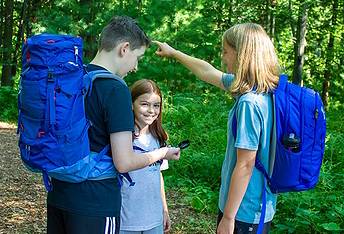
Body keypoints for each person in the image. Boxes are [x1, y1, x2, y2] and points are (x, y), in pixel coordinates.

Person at [47, 16, 180, 234]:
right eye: (137, 57)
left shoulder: (74, 78)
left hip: (59, 192)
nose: (136, 66)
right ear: (124, 48)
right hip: (95, 202)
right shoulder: (115, 89)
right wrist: (162, 152)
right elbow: (124, 162)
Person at [154, 22, 279, 234]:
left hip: (242, 211)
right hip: (259, 204)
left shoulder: (249, 102)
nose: (223, 57)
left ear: (242, 54)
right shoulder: (266, 91)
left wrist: (229, 218)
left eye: (225, 51)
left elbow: (246, 165)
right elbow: (206, 72)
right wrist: (174, 52)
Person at [120, 79, 171, 234]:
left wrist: (165, 209)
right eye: (144, 104)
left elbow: (158, 175)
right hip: (126, 221)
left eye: (156, 105)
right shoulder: (122, 137)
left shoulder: (159, 137)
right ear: (131, 104)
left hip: (154, 220)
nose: (151, 110)